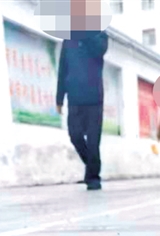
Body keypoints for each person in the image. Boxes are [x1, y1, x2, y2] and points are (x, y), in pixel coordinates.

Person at [55, 15, 108, 191]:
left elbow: (100, 51)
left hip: (94, 98)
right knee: (75, 136)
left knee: (93, 141)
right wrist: (59, 98)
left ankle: (93, 178)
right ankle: (93, 167)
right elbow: (63, 69)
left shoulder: (99, 34)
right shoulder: (68, 40)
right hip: (75, 98)